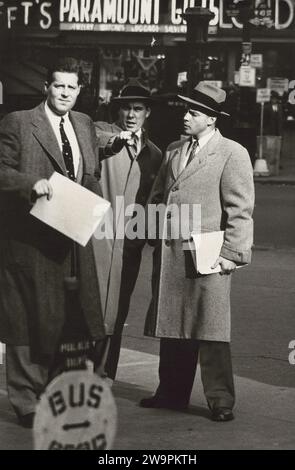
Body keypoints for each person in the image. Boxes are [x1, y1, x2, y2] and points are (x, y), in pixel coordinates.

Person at [0, 58, 106, 428]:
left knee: (69, 320)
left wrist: (93, 205)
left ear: (79, 91)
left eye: (71, 88)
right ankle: (26, 400)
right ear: (47, 86)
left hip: (72, 237)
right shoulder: (18, 122)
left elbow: (90, 174)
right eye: (58, 86)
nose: (64, 93)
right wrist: (29, 184)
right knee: (27, 319)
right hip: (30, 241)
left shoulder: (84, 124)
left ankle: (59, 393)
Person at [141, 82, 255, 422]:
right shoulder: (175, 149)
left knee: (211, 329)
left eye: (193, 113)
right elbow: (159, 194)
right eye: (186, 110)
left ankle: (220, 400)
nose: (186, 117)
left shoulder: (232, 153)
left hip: (208, 253)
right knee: (174, 325)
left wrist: (232, 254)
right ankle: (171, 393)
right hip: (173, 251)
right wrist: (152, 227)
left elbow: (240, 209)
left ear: (211, 119)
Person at [93, 79, 162, 382]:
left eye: (138, 109)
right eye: (126, 108)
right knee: (89, 308)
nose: (131, 115)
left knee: (118, 311)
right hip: (97, 238)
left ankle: (106, 372)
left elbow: (152, 199)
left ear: (147, 112)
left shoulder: (155, 154)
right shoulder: (102, 133)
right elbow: (95, 138)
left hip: (129, 243)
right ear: (117, 110)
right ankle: (81, 371)